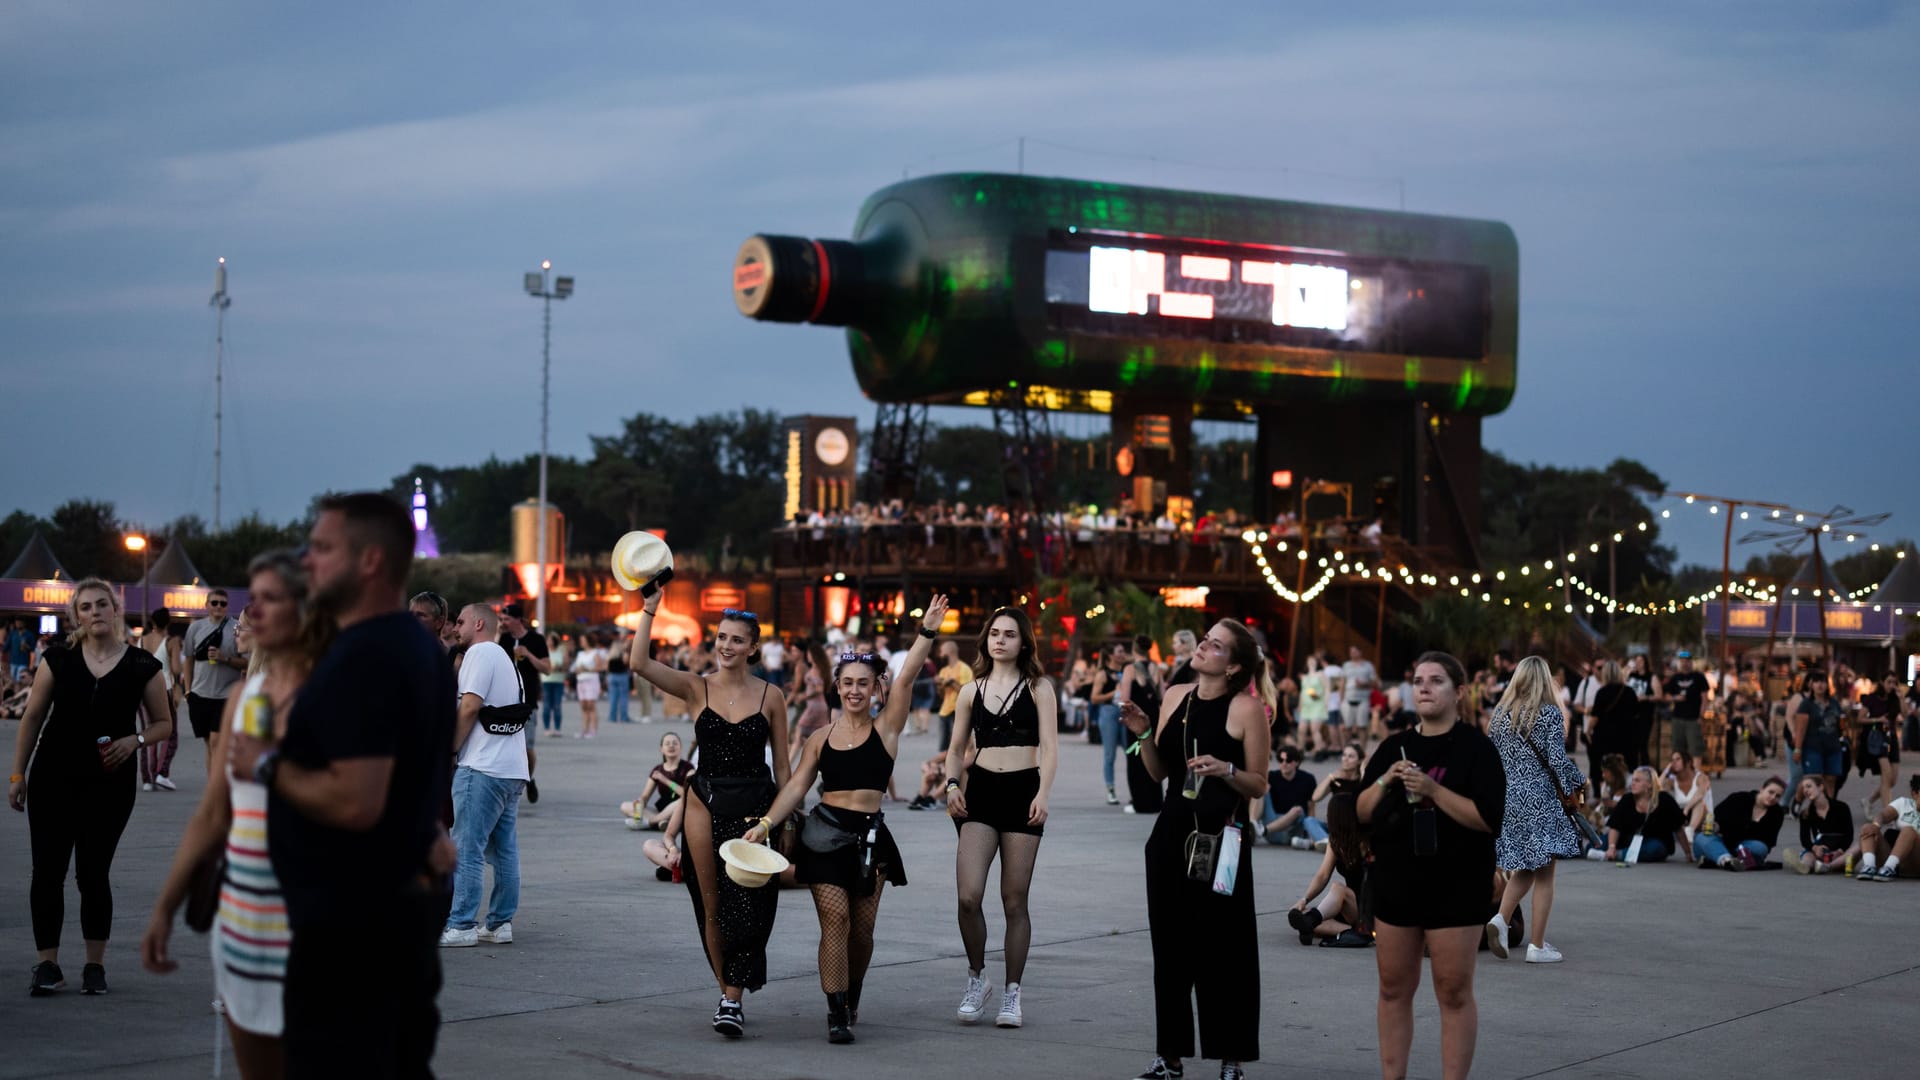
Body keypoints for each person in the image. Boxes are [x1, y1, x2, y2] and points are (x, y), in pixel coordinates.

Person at [226, 492, 456, 1076]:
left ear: (370, 561)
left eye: (324, 548)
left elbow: (355, 800)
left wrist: (267, 764)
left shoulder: (366, 657)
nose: (309, 560)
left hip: (351, 933)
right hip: (395, 916)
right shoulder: (419, 648)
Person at [143, 552, 326, 1076]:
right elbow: (212, 813)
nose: (252, 614)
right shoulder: (248, 696)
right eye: (253, 601)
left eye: (273, 600)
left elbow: (364, 803)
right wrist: (165, 907)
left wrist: (273, 770)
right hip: (245, 918)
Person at [746, 596, 947, 1042]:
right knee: (834, 920)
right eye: (847, 682)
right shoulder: (819, 738)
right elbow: (796, 787)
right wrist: (764, 824)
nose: (855, 689)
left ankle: (853, 992)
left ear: (877, 689)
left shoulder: (887, 728)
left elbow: (909, 673)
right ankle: (836, 1012)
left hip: (871, 837)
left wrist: (926, 632)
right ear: (836, 687)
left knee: (863, 930)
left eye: (864, 683)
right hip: (824, 834)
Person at [627, 601, 790, 1038]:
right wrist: (648, 609)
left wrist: (784, 820)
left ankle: (730, 995)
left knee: (753, 908)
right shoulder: (695, 687)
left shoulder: (771, 696)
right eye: (721, 637)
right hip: (705, 802)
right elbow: (638, 662)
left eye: (737, 639)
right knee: (711, 906)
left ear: (754, 647)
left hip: (756, 807)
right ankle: (729, 998)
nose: (726, 646)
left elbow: (786, 772)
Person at [1118, 619, 1272, 1080]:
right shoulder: (1174, 696)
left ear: (1234, 666)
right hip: (1171, 834)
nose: (1203, 647)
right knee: (1170, 950)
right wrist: (1144, 734)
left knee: (1227, 950)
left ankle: (1232, 1057)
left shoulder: (1247, 709)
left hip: (1221, 839)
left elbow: (1258, 782)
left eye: (1215, 645)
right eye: (1204, 640)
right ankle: (1170, 1056)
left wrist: (1225, 768)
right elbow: (1159, 772)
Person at [10, 578, 171, 997]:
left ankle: (94, 967)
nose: (95, 611)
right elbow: (31, 718)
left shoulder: (142, 665)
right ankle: (48, 965)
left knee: (92, 874)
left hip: (110, 784)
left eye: (103, 604)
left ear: (116, 611)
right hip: (52, 778)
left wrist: (133, 740)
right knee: (46, 871)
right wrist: (17, 774)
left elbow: (163, 724)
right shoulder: (58, 660)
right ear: (75, 616)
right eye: (86, 607)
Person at [1357, 652, 1505, 1080]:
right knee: (1393, 988)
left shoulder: (1477, 748)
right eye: (1418, 679)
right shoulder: (1392, 746)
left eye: (1436, 680)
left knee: (1454, 991)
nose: (1423, 687)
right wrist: (1387, 779)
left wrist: (1433, 790)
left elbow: (1488, 818)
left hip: (1457, 884)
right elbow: (1362, 811)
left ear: (1459, 692)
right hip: (1397, 880)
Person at [942, 606, 1061, 1029]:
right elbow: (956, 749)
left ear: (1024, 642)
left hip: (1024, 792)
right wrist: (953, 785)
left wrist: (1044, 793)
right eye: (995, 633)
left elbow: (1049, 747)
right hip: (982, 793)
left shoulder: (1039, 687)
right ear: (985, 640)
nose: (1000, 640)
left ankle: (1012, 992)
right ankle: (977, 978)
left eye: (1010, 634)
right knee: (968, 896)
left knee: (1014, 899)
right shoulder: (971, 690)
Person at [439, 603, 531, 947]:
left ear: (479, 623)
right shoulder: (507, 661)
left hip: (482, 766)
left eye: (460, 622)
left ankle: (462, 924)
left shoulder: (479, 653)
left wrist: (451, 751)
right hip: (511, 769)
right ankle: (499, 923)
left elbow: (470, 706)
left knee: (467, 847)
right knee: (505, 849)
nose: (454, 628)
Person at [1485, 656, 1586, 965]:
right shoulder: (1549, 714)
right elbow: (1556, 760)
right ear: (1545, 680)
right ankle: (1537, 945)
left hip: (1509, 798)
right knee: (1546, 872)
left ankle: (1501, 920)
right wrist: (1579, 781)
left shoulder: (1500, 715)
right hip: (1540, 798)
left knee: (1528, 865)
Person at [1288, 793, 1372, 947]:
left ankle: (1361, 930)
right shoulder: (1336, 840)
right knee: (1307, 918)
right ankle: (1353, 932)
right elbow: (1323, 875)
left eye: (1330, 814)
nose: (1327, 817)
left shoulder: (1368, 840)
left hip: (1371, 908)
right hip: (1351, 909)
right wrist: (1304, 899)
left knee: (1338, 888)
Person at [184, 587, 244, 772]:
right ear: (206, 605)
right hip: (200, 694)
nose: (219, 606)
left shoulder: (236, 628)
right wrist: (187, 690)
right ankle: (213, 786)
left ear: (227, 606)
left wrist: (224, 658)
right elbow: (188, 659)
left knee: (217, 742)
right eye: (215, 602)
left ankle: (216, 790)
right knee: (209, 742)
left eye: (223, 603)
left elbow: (247, 662)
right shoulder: (195, 628)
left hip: (225, 694)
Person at [498, 603, 548, 803]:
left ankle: (529, 778)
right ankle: (512, 784)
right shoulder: (503, 638)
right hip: (505, 701)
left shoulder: (536, 639)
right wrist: (497, 632)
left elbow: (547, 668)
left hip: (528, 701)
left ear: (518, 619)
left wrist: (528, 655)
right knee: (507, 747)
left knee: (526, 748)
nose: (504, 623)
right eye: (501, 620)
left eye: (506, 619)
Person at [1119, 634, 1166, 814]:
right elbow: (1162, 695)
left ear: (1134, 648)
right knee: (1153, 757)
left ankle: (1140, 802)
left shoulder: (1130, 669)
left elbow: (1125, 699)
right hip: (1153, 718)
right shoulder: (1156, 668)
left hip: (1136, 719)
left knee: (1135, 760)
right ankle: (1155, 801)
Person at [1696, 778, 1787, 871]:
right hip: (1722, 841)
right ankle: (1729, 860)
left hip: (1745, 846)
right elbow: (1717, 819)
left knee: (1760, 848)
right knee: (1702, 837)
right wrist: (1715, 827)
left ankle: (1719, 860)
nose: (1773, 797)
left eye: (1777, 796)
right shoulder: (1738, 798)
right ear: (1762, 789)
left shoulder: (1777, 813)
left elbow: (1768, 842)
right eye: (1770, 792)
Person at [139, 607, 183, 792]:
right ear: (169, 622)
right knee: (169, 732)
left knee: (147, 734)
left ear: (152, 622)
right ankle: (161, 773)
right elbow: (176, 669)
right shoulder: (171, 642)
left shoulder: (143, 640)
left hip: (142, 691)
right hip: (163, 690)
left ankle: (147, 779)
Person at [1604, 766, 1689, 863]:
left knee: (1654, 849)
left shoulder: (1665, 800)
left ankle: (1619, 854)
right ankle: (1612, 852)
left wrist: (1688, 853)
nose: (1633, 783)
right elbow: (1615, 826)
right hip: (1628, 839)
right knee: (1598, 843)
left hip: (1655, 842)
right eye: (1632, 780)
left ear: (1649, 784)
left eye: (1637, 781)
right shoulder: (1627, 799)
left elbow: (1678, 828)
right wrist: (1611, 846)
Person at [1784, 775, 1857, 874]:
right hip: (1820, 850)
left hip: (1840, 851)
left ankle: (1827, 866)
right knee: (1808, 858)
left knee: (1858, 847)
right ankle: (1805, 865)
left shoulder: (1841, 807)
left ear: (1821, 787)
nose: (1805, 790)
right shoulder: (1806, 814)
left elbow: (1849, 835)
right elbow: (1805, 839)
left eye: (1809, 786)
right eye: (1803, 788)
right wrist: (1815, 848)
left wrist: (1839, 851)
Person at [1855, 773, 1920, 882]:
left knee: (1909, 831)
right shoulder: (1904, 803)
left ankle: (1889, 867)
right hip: (1896, 857)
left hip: (1916, 860)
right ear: (1914, 794)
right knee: (1868, 828)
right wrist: (1876, 825)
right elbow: (1883, 815)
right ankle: (1869, 867)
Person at [1256, 746, 1324, 848]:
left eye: (1288, 760)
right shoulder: (1271, 776)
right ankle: (1252, 825)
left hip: (1292, 830)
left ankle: (1261, 830)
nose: (1284, 764)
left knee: (1298, 810)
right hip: (1273, 825)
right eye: (1281, 760)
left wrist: (1310, 833)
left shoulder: (1308, 779)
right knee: (1260, 788)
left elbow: (1311, 807)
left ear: (1296, 762)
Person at [624, 731, 694, 830]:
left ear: (680, 747)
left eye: (675, 743)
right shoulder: (657, 770)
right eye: (667, 744)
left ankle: (650, 822)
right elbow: (645, 796)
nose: (671, 746)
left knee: (681, 801)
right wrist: (640, 802)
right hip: (661, 811)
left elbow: (688, 795)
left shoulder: (688, 768)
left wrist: (666, 781)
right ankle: (662, 822)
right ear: (661, 749)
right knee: (625, 806)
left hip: (681, 811)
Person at [1583, 661, 1638, 784]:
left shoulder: (1602, 692)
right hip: (1626, 736)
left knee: (1603, 766)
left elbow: (1595, 717)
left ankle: (1602, 793)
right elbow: (1635, 713)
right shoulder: (1630, 692)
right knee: (1624, 766)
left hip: (1605, 737)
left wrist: (1587, 730)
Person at [1793, 674, 1846, 799]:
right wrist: (1797, 749)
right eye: (1817, 682)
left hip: (1833, 746)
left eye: (1823, 682)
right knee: (1812, 778)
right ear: (1811, 685)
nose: (1820, 685)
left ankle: (1828, 806)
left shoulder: (1834, 703)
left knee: (1831, 778)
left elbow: (1841, 723)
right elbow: (1801, 729)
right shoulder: (1806, 704)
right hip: (1813, 747)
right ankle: (1798, 800)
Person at [1857, 673, 1903, 817]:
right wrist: (1877, 719)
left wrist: (1901, 697)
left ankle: (1869, 801)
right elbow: (1860, 718)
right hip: (1877, 738)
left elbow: (1905, 714)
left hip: (1892, 738)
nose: (1891, 685)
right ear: (1882, 682)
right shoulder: (1872, 699)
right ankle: (1887, 812)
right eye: (1888, 682)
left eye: (1894, 682)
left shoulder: (1894, 699)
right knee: (1886, 773)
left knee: (1892, 780)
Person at [1090, 643, 1130, 806]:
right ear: (1111, 655)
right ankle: (1110, 789)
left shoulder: (1127, 671)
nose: (1123, 654)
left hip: (1126, 713)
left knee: (1131, 752)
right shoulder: (1103, 674)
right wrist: (1114, 692)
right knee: (1110, 754)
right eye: (1119, 652)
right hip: (1109, 713)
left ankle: (1134, 789)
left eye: (1123, 651)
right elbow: (1094, 698)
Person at [790, 642, 832, 771]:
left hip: (814, 707)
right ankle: (824, 768)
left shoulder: (815, 670)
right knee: (817, 739)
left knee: (798, 736)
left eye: (809, 654)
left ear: (813, 655)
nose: (807, 656)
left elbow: (819, 689)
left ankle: (788, 765)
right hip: (821, 706)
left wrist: (805, 696)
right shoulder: (824, 669)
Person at [1662, 750, 1714, 840]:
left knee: (1700, 802)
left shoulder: (1701, 777)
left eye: (1678, 759)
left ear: (1688, 762)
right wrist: (1666, 771)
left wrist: (1686, 809)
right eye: (1672, 760)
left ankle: (1690, 830)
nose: (1674, 763)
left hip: (1703, 819)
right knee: (1662, 799)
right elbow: (1656, 788)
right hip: (1684, 817)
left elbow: (1700, 793)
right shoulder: (1673, 780)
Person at [934, 640, 973, 757]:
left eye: (941, 652)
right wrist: (940, 685)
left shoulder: (964, 669)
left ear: (948, 652)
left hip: (958, 711)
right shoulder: (943, 671)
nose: (940, 655)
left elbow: (967, 692)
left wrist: (952, 682)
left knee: (958, 744)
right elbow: (941, 694)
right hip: (945, 711)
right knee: (944, 746)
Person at [1341, 646, 1377, 750]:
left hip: (1363, 699)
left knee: (1362, 726)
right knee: (1347, 726)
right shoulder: (1346, 665)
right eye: (1351, 651)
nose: (1352, 653)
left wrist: (1364, 684)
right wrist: (1341, 699)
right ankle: (1347, 749)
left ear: (1360, 652)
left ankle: (1362, 751)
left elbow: (1375, 683)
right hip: (1348, 699)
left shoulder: (1368, 665)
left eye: (1355, 651)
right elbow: (1342, 683)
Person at [572, 632, 604, 739]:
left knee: (591, 706)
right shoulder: (580, 654)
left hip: (591, 680)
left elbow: (600, 667)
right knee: (584, 706)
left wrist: (587, 669)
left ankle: (593, 730)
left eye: (583, 640)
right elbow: (576, 668)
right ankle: (585, 730)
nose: (581, 642)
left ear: (588, 641)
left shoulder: (595, 653)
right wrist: (578, 669)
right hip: (581, 681)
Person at [1299, 651, 1330, 758]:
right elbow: (1303, 692)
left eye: (1313, 661)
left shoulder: (1321, 674)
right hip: (1306, 706)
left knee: (1314, 730)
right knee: (1301, 729)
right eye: (1309, 661)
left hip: (1318, 705)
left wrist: (1326, 703)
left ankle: (1319, 750)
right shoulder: (1305, 677)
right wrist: (1300, 705)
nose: (1311, 663)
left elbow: (1327, 689)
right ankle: (1300, 751)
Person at [606, 632, 632, 725]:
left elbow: (607, 666)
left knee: (613, 698)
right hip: (622, 675)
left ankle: (612, 717)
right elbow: (626, 662)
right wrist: (626, 650)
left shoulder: (611, 655)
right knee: (623, 697)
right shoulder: (623, 652)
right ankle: (624, 717)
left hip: (612, 676)